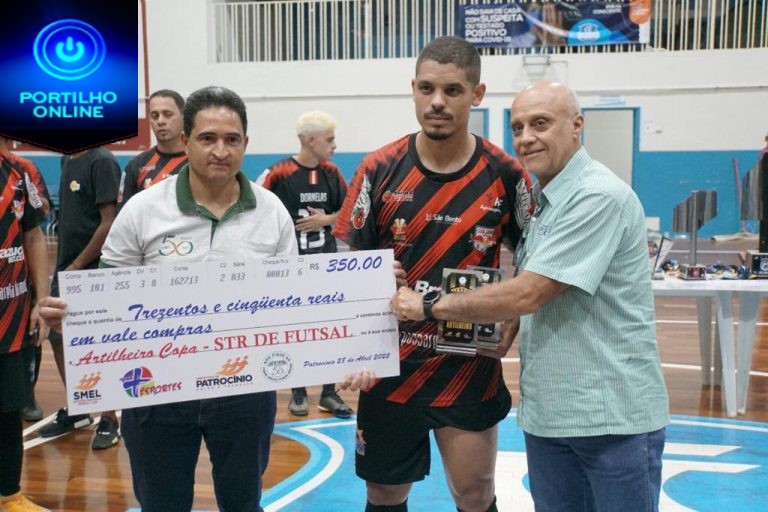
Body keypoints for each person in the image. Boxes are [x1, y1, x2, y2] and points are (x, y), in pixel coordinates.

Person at [391, 81, 670, 511]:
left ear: (577, 125)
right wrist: (511, 322)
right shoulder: (546, 200)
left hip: (610, 419)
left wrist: (426, 306)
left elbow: (532, 291)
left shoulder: (596, 195)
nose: (526, 138)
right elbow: (540, 281)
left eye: (541, 123)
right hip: (553, 415)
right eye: (518, 127)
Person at [39, 86, 297, 512]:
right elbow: (110, 295)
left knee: (243, 502)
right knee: (162, 504)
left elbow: (292, 302)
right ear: (186, 141)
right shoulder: (143, 210)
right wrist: (75, 318)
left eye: (231, 139)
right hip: (155, 388)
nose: (220, 151)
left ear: (246, 144)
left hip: (245, 390)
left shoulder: (272, 213)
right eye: (208, 138)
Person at [334, 36, 533, 512]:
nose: (437, 101)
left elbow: (534, 255)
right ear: (414, 89)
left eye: (452, 90)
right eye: (427, 88)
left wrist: (515, 314)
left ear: (477, 94)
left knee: (475, 494)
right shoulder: (378, 168)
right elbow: (344, 261)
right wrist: (362, 291)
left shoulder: (506, 173)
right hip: (389, 368)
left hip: (467, 368)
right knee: (384, 494)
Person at [257, 110, 352, 418]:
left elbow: (351, 211)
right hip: (291, 271)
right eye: (330, 139)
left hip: (326, 267)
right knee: (295, 331)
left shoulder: (332, 173)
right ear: (311, 140)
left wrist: (327, 219)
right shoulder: (278, 173)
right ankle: (298, 391)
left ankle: (329, 392)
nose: (335, 145)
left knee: (330, 330)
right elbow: (253, 211)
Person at [37, 146, 121, 451]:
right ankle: (79, 406)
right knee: (59, 338)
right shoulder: (66, 160)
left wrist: (78, 265)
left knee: (99, 345)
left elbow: (109, 222)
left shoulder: (102, 161)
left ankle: (109, 418)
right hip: (67, 266)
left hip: (92, 268)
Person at [0, 145, 51, 511]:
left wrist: (41, 301)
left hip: (11, 320)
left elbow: (33, 236)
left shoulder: (18, 173)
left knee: (9, 412)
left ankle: (10, 494)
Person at [118, 89, 188, 207]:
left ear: (183, 116)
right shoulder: (136, 166)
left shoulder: (198, 162)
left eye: (167, 114)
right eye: (155, 116)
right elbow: (124, 213)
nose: (160, 121)